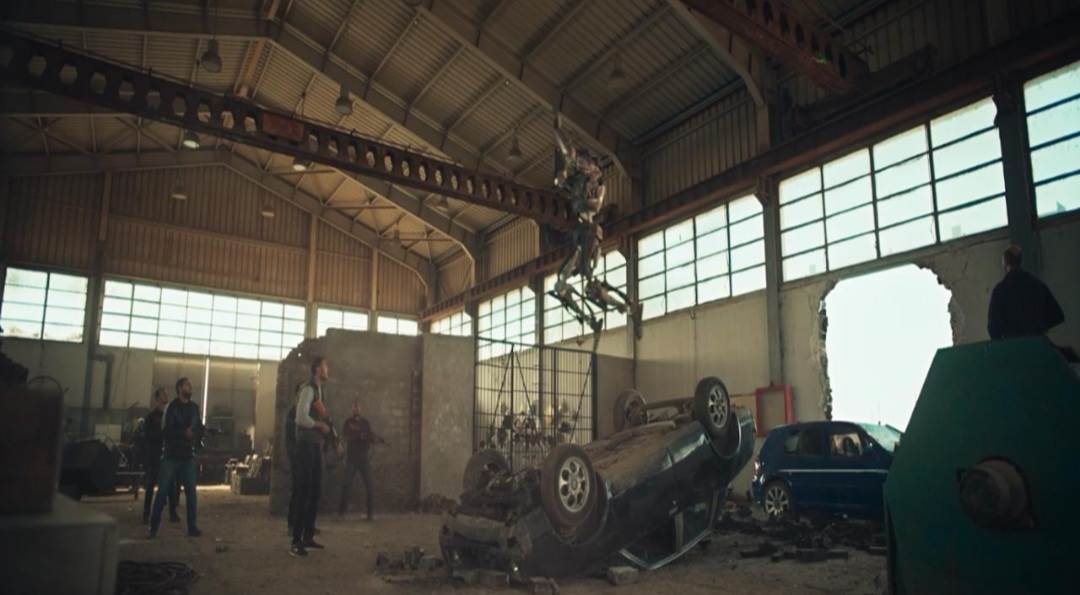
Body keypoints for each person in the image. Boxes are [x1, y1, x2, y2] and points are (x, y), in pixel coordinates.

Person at [148, 377, 203, 539]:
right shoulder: (172, 407)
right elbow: (166, 431)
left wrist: (200, 434)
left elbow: (198, 427)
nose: (190, 387)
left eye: (190, 385)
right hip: (171, 456)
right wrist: (184, 433)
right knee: (162, 491)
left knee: (191, 493)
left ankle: (192, 527)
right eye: (187, 385)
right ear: (179, 388)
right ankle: (153, 527)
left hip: (187, 456)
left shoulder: (194, 408)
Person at [290, 357, 332, 557]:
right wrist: (318, 425)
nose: (327, 369)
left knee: (315, 492)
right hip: (305, 447)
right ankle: (295, 541)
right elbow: (300, 418)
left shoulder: (319, 390)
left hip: (314, 446)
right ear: (317, 369)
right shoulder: (308, 389)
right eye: (325, 366)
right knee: (304, 492)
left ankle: (308, 536)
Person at [988, 245, 1065, 340]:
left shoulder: (1000, 291)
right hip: (1038, 344)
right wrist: (1040, 327)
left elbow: (993, 329)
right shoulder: (1038, 285)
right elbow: (1058, 316)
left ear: (1004, 264)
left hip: (1013, 345)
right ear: (1020, 261)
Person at [338, 399, 385, 520]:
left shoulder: (366, 423)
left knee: (370, 485)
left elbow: (370, 436)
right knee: (346, 484)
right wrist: (360, 436)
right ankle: (341, 513)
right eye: (354, 407)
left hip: (364, 459)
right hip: (351, 458)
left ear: (361, 408)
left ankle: (370, 514)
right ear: (352, 409)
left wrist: (375, 440)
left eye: (358, 407)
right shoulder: (348, 422)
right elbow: (346, 436)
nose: (356, 409)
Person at [139, 388, 179, 525]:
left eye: (165, 394)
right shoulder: (151, 417)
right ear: (157, 399)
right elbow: (147, 436)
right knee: (151, 484)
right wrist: (161, 435)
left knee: (171, 484)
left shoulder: (170, 415)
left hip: (168, 454)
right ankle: (146, 514)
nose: (165, 396)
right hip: (155, 455)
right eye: (162, 394)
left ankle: (173, 513)